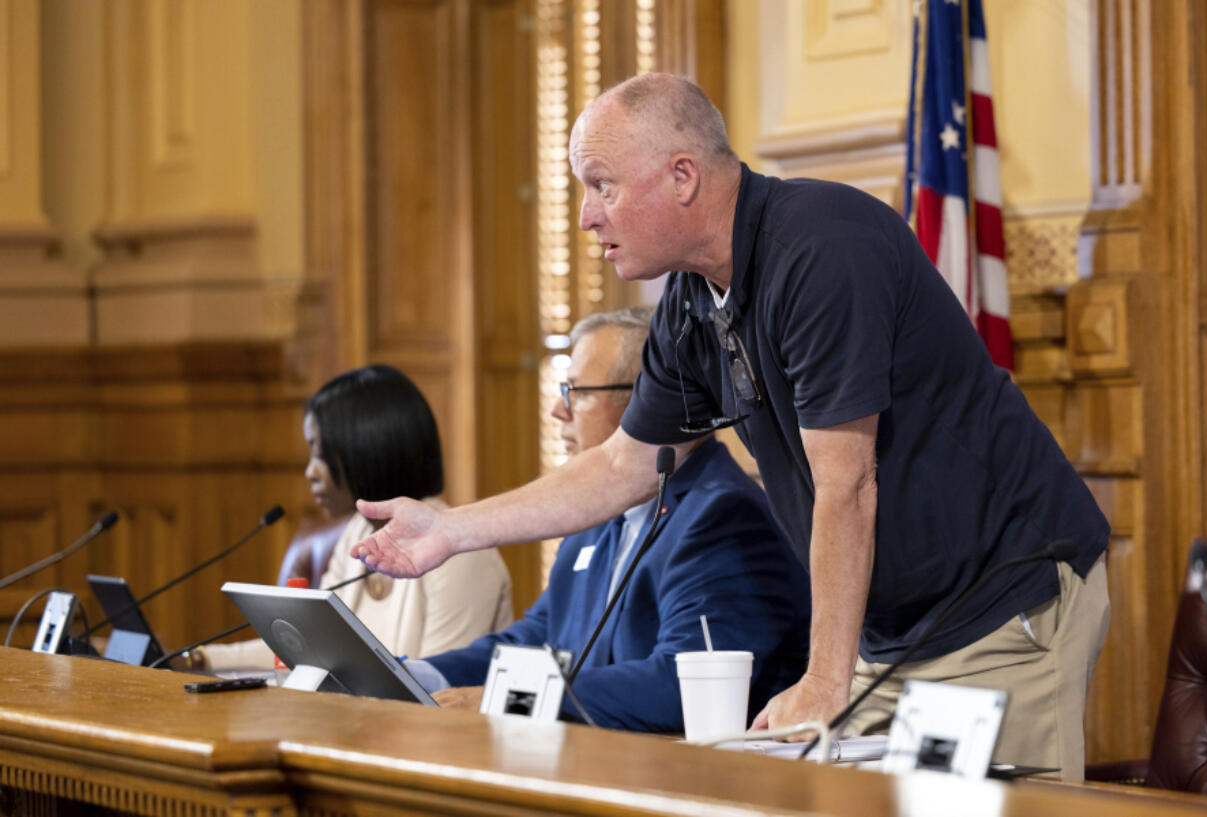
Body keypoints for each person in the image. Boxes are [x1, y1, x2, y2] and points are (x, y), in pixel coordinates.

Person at [352, 74, 1109, 779]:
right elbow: (623, 466)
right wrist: (450, 532)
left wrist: (822, 680)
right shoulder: (689, 299)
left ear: (683, 176)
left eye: (602, 185)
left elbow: (847, 483)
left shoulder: (821, 251)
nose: (586, 215)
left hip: (1004, 603)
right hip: (891, 634)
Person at [406, 309, 810, 732]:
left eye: (576, 391)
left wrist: (508, 698)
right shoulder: (595, 513)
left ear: (648, 400)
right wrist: (418, 678)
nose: (557, 411)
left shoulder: (722, 516)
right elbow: (537, 639)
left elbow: (680, 688)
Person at [194, 365, 513, 671]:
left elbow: (439, 694)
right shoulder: (357, 531)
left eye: (319, 453)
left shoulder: (458, 552)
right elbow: (306, 646)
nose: (310, 472)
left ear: (365, 449)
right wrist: (200, 659)